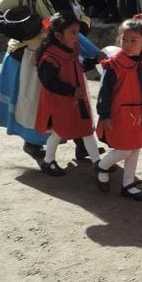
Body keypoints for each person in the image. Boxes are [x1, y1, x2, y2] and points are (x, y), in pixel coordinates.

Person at [0, 0, 98, 166]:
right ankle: (33, 144)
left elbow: (82, 16)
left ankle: (81, 141)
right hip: (32, 59)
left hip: (66, 56)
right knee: (38, 105)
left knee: (73, 99)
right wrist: (7, 25)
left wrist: (78, 31)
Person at [34, 10, 102, 176]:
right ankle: (48, 161)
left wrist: (94, 60)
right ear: (58, 35)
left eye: (77, 32)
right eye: (73, 32)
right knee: (60, 131)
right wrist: (71, 90)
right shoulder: (49, 58)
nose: (76, 36)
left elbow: (78, 67)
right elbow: (49, 83)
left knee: (86, 128)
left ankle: (98, 163)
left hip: (76, 100)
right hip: (61, 103)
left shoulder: (71, 48)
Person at [96, 17, 142, 201]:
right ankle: (102, 166)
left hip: (138, 113)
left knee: (135, 146)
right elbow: (104, 91)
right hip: (119, 114)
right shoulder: (114, 64)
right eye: (124, 39)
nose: (127, 44)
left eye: (133, 40)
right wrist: (104, 114)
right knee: (124, 149)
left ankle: (128, 184)